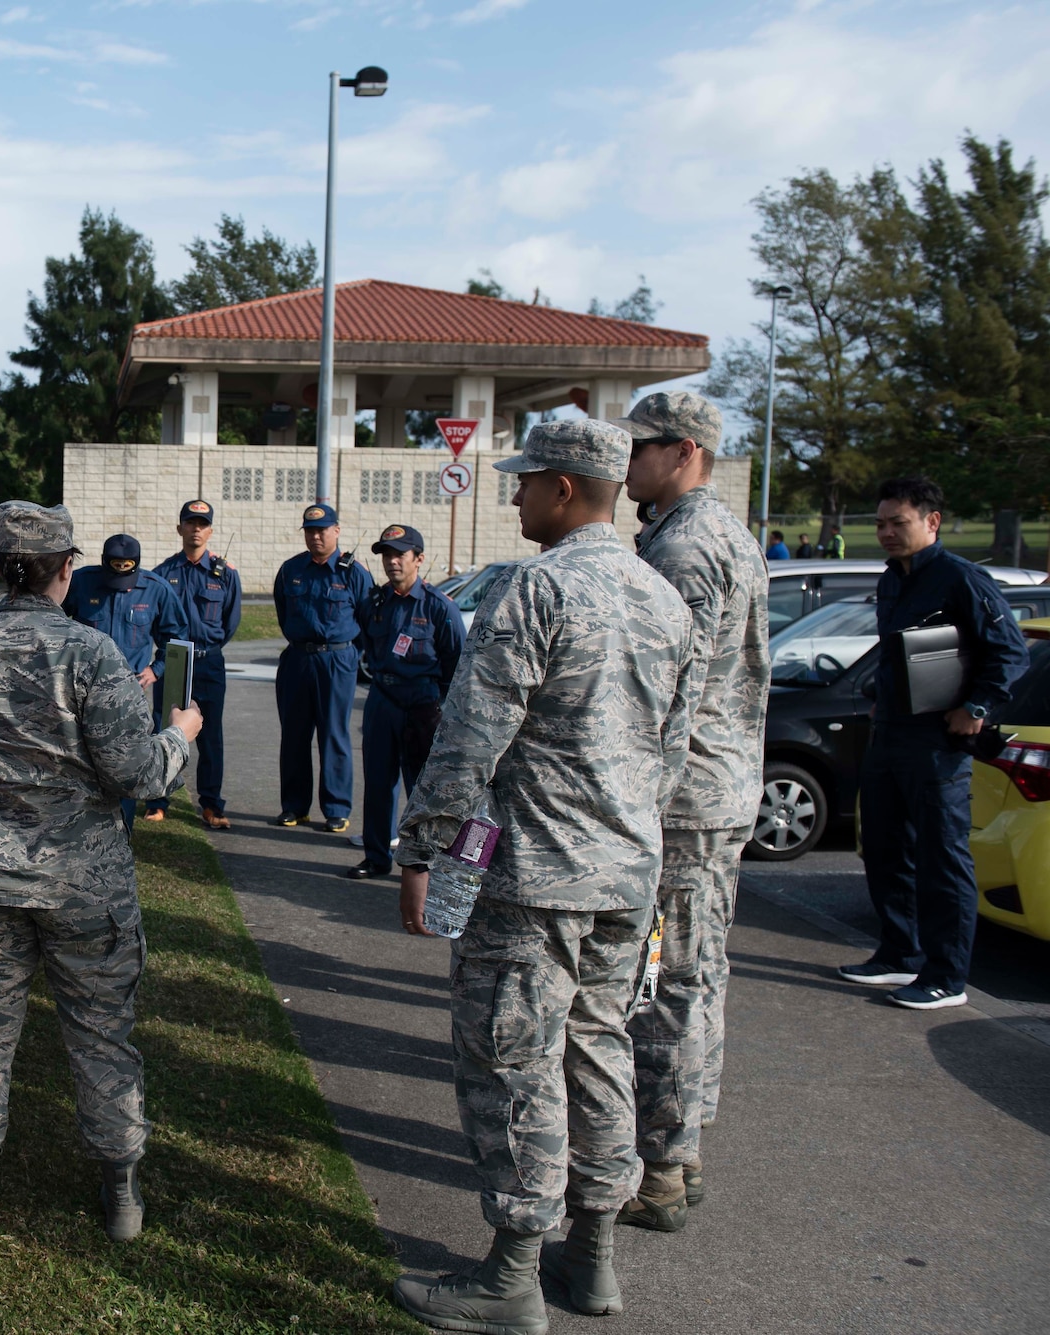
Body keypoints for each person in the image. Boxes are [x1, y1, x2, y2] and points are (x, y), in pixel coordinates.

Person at [391, 420, 700, 1333]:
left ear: (565, 489)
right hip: (624, 879)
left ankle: (512, 1277)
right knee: (599, 1049)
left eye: (526, 482)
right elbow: (671, 756)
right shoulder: (664, 599)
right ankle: (594, 1258)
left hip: (533, 880)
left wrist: (420, 851)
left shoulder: (538, 590)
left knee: (513, 1062)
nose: (516, 495)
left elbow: (469, 739)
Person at [0, 501, 201, 1251]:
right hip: (86, 885)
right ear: (66, 569)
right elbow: (139, 772)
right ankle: (121, 1191)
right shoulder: (92, 653)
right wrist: (180, 735)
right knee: (102, 1033)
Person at [617, 391, 771, 1233]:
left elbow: (673, 688)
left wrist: (636, 797)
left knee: (667, 980)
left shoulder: (684, 546)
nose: (627, 463)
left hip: (684, 799)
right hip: (722, 789)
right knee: (700, 971)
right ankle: (685, 1144)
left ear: (683, 451)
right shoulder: (727, 533)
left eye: (639, 448)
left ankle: (664, 1166)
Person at [838, 475, 1028, 1011]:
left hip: (938, 741)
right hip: (891, 731)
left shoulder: (961, 579)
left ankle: (947, 976)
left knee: (941, 856)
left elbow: (1008, 652)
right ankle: (901, 953)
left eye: (898, 523)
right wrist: (879, 694)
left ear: (932, 522)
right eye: (880, 523)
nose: (886, 533)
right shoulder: (891, 580)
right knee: (883, 845)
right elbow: (896, 652)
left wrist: (979, 708)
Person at [346, 524, 463, 880]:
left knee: (422, 788)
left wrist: (438, 707)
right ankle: (376, 856)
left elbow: (456, 662)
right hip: (382, 698)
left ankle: (422, 865)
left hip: (422, 703)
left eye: (400, 554)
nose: (392, 561)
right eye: (386, 554)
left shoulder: (439, 608)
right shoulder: (375, 603)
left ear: (419, 559)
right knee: (378, 782)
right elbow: (366, 643)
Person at [64, 533, 189, 828]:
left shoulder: (155, 589)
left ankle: (122, 831)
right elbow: (55, 620)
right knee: (80, 762)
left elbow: (177, 636)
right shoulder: (80, 582)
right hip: (82, 690)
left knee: (125, 764)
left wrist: (156, 669)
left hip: (129, 693)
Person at [272, 503, 374, 833]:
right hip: (299, 659)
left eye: (322, 530)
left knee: (334, 735)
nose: (316, 536)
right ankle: (294, 806)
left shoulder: (353, 573)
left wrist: (346, 655)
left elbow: (368, 620)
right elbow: (283, 611)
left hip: (337, 661)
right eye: (310, 531)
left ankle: (336, 808)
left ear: (336, 531)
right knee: (294, 736)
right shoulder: (291, 570)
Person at [152, 499, 242, 829]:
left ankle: (211, 805)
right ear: (180, 528)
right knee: (165, 727)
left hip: (209, 662)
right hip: (175, 662)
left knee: (210, 736)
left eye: (203, 523)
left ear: (211, 530)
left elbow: (231, 622)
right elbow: (155, 620)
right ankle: (157, 799)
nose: (196, 528)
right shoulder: (163, 574)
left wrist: (207, 649)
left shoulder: (225, 574)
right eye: (190, 522)